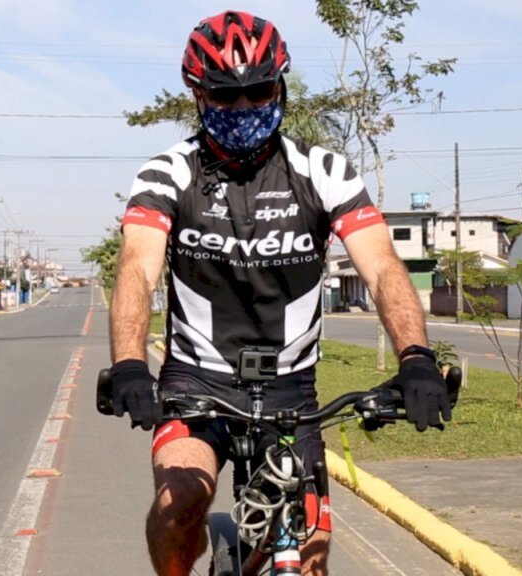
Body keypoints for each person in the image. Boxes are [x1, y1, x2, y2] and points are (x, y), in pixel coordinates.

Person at [107, 10, 450, 576]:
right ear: (198, 96)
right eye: (224, 95)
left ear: (281, 85)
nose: (243, 108)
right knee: (180, 506)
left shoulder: (325, 172)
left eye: (258, 91)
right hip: (198, 382)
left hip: (292, 390)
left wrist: (415, 357)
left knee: (309, 559)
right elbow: (137, 270)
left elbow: (384, 269)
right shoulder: (168, 172)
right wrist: (127, 365)